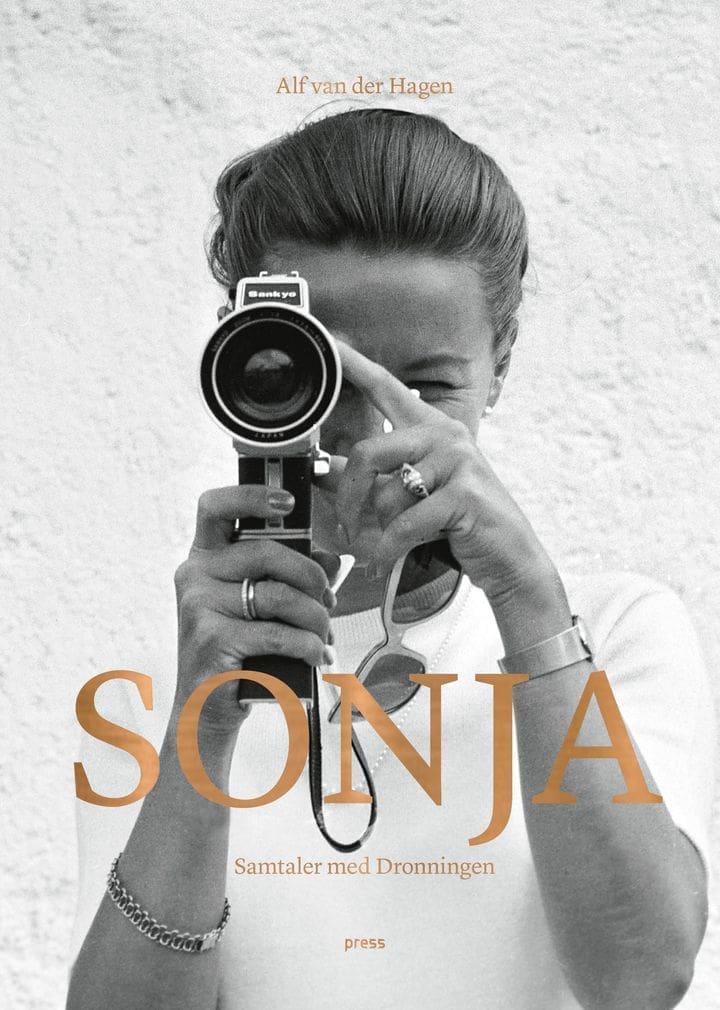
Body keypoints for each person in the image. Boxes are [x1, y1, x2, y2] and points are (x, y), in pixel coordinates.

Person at [67, 108, 714, 1010]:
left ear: (501, 363)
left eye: (426, 387)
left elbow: (641, 980)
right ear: (244, 360)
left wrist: (525, 597)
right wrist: (204, 728)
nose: (372, 432)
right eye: (323, 378)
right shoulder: (159, 684)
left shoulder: (612, 632)